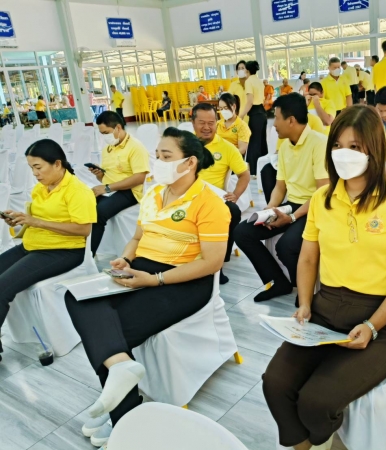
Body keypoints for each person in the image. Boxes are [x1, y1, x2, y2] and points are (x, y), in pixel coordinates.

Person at [262, 105, 386, 450]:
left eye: (354, 147)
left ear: (374, 149)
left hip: (382, 320)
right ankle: (306, 445)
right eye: (337, 145)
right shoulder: (322, 198)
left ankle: (323, 438)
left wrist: (372, 325)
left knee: (316, 401)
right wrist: (304, 304)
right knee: (274, 383)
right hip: (325, 310)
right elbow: (308, 258)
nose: (343, 154)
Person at [65, 127, 229, 439]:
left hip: (184, 280)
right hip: (142, 268)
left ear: (189, 162)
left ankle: (124, 417)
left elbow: (212, 263)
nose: (158, 162)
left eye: (166, 156)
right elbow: (137, 237)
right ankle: (123, 390)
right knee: (76, 297)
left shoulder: (209, 203)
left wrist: (155, 280)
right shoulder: (154, 193)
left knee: (113, 331)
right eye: (157, 156)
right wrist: (125, 258)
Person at [0, 140, 96, 362]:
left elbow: (83, 229)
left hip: (63, 251)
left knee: (2, 288)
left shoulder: (78, 191)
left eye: (38, 167)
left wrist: (36, 222)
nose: (35, 173)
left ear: (57, 164)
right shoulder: (41, 188)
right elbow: (37, 220)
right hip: (33, 245)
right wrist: (20, 220)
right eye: (31, 168)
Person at [234, 93, 328, 303]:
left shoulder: (319, 144)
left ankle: (305, 289)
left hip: (313, 207)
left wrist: (292, 217)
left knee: (286, 247)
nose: (274, 124)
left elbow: (322, 193)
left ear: (291, 120)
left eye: (276, 118)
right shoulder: (285, 146)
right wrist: (269, 210)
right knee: (242, 232)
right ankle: (278, 282)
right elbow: (280, 186)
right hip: (290, 205)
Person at [192, 102, 249, 285]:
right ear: (193, 123)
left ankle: (219, 261)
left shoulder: (226, 147)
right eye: (202, 123)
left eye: (211, 123)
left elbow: (244, 175)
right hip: (187, 196)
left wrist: (235, 194)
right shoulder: (184, 144)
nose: (207, 127)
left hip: (213, 198)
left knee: (233, 211)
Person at [89, 111, 150, 256]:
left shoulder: (135, 147)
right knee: (84, 205)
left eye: (106, 133)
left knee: (99, 212)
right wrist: (100, 175)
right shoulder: (108, 149)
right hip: (111, 189)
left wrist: (107, 188)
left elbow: (139, 178)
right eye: (101, 134)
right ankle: (79, 248)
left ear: (118, 127)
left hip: (129, 191)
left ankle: (88, 255)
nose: (104, 137)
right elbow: (106, 178)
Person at [239, 60, 267, 176]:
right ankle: (262, 169)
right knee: (262, 142)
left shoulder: (249, 81)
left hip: (255, 113)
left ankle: (254, 170)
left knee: (254, 142)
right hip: (262, 112)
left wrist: (241, 115)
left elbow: (250, 102)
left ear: (247, 70)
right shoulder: (259, 81)